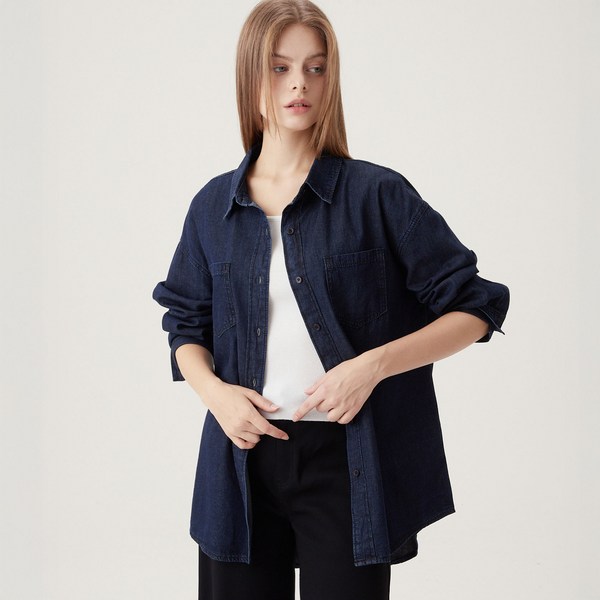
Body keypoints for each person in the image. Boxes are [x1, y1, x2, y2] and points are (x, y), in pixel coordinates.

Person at [152, 1, 510, 598]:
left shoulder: (376, 194)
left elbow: (475, 307)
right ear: (250, 78)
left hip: (348, 463)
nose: (299, 83)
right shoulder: (213, 207)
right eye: (280, 67)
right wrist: (216, 396)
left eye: (315, 68)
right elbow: (185, 322)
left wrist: (373, 366)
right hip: (240, 459)